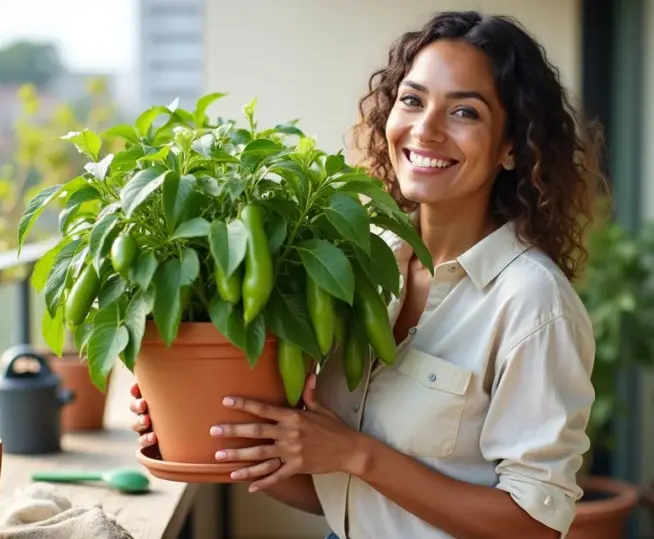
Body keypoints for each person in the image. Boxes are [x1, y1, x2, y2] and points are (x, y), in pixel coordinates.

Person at [130, 10, 605, 539]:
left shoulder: (532, 303)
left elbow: (535, 526)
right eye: (412, 99)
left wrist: (358, 454)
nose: (426, 128)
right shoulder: (364, 262)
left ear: (512, 146)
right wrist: (206, 425)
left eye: (465, 112)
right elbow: (342, 495)